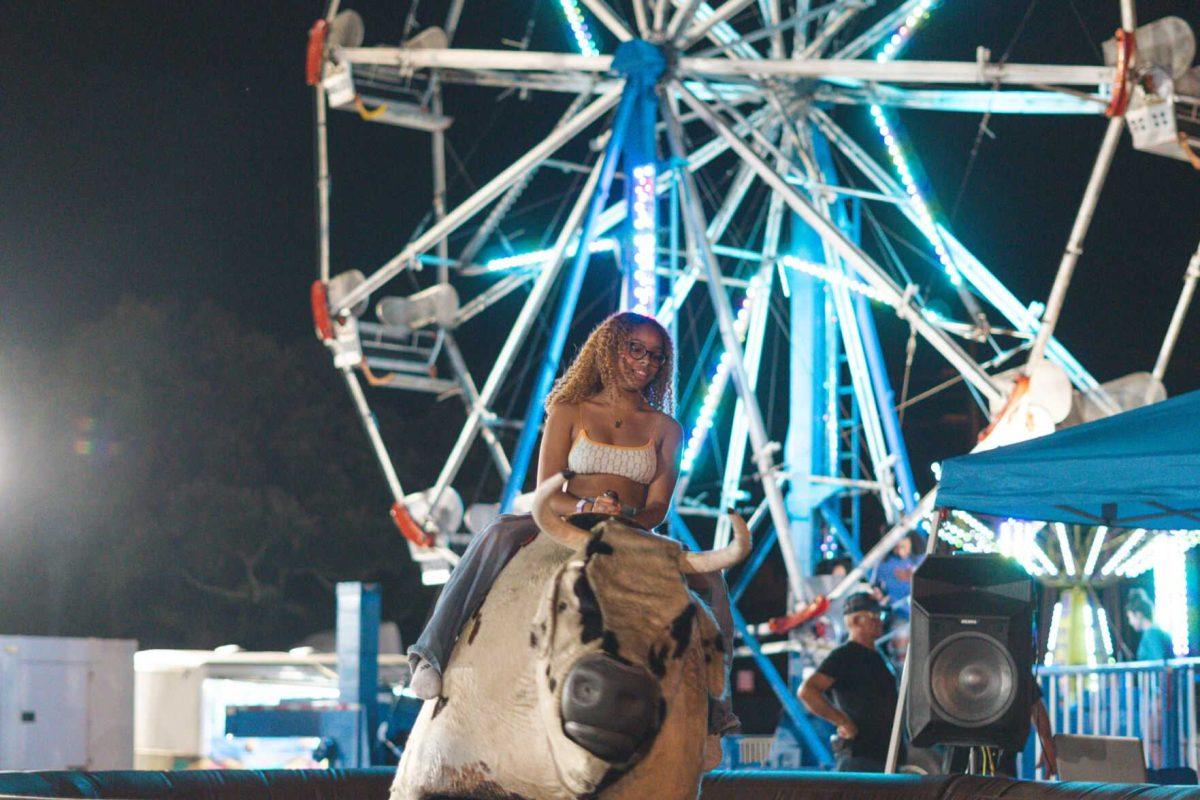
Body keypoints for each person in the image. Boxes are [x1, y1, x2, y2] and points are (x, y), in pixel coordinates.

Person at [405, 311, 738, 755]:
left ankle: (717, 703)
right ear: (609, 349)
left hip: (630, 529)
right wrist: (586, 507)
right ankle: (429, 654)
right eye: (634, 349)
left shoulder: (666, 429)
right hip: (568, 519)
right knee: (498, 535)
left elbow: (658, 505)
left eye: (656, 356)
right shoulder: (569, 410)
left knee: (712, 580)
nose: (645, 362)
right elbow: (547, 489)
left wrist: (626, 521)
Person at [799, 591, 898, 772]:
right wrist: (843, 721)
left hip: (883, 759)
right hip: (861, 760)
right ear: (855, 621)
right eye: (874, 615)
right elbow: (807, 691)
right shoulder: (845, 655)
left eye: (881, 615)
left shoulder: (879, 657)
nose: (880, 621)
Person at [872, 534, 922, 618]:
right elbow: (875, 586)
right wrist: (880, 595)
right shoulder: (884, 565)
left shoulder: (920, 559)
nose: (900, 552)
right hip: (900, 614)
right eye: (896, 548)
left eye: (902, 546)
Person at [1126, 588, 1174, 661]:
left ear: (1139, 615)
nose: (1130, 622)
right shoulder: (1155, 631)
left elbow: (1159, 665)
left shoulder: (1151, 633)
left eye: (1130, 618)